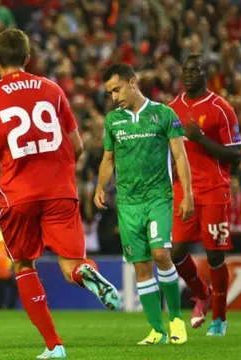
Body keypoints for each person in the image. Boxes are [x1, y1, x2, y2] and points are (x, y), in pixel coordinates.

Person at [0, 28, 120, 359]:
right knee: (71, 264)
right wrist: (59, 170)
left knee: (24, 265)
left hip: (18, 194)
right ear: (27, 58)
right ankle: (84, 272)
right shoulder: (52, 90)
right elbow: (78, 145)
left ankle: (54, 346)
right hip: (60, 191)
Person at [94, 63, 193, 345]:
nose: (114, 97)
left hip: (158, 197)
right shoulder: (114, 121)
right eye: (110, 92)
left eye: (117, 89)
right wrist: (100, 187)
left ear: (132, 82)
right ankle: (156, 330)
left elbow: (180, 156)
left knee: (161, 253)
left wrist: (188, 194)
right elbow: (108, 159)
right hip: (127, 203)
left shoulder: (163, 114)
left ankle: (175, 319)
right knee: (140, 265)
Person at [168, 54, 241, 336]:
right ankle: (201, 294)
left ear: (206, 73)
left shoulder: (221, 108)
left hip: (214, 190)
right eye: (185, 70)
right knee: (176, 252)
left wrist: (200, 139)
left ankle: (220, 319)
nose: (188, 75)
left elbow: (236, 155)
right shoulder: (171, 108)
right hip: (182, 191)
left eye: (195, 70)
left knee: (214, 255)